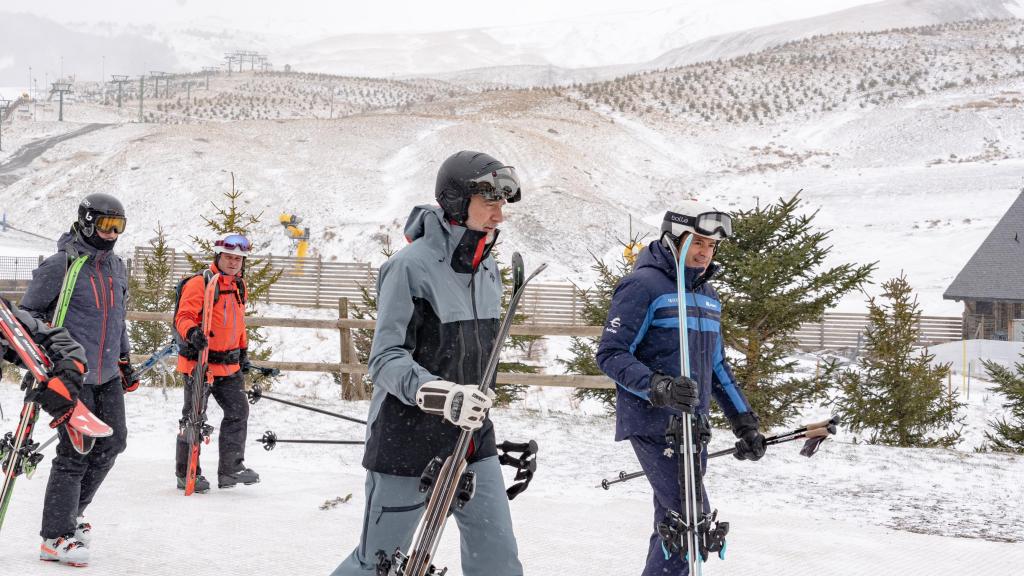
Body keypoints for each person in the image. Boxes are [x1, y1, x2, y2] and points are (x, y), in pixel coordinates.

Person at [331, 151, 524, 576]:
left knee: (498, 559)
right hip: (407, 438)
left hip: (472, 437)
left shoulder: (487, 267)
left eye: (502, 204)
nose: (499, 215)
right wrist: (442, 395)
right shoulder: (408, 266)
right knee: (378, 563)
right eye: (489, 202)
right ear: (456, 200)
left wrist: (469, 400)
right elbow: (384, 360)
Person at [596, 199, 767, 576]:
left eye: (711, 246)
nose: (705, 254)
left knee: (673, 525)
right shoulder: (643, 286)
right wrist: (658, 386)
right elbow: (610, 353)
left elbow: (717, 366)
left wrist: (744, 421)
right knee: (690, 521)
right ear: (674, 241)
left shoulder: (707, 296)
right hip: (654, 422)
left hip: (694, 426)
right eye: (697, 244)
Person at [19, 193, 136, 567]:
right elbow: (26, 317)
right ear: (87, 222)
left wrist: (124, 358)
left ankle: (71, 514)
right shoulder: (61, 265)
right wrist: (54, 362)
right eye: (105, 225)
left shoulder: (116, 266)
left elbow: (117, 317)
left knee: (113, 444)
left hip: (106, 376)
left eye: (118, 226)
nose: (112, 233)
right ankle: (55, 537)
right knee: (74, 454)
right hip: (72, 376)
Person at [173, 233, 257, 493]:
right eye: (229, 257)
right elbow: (183, 316)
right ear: (218, 257)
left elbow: (238, 323)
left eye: (238, 259)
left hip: (229, 365)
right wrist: (192, 333)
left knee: (238, 411)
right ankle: (186, 472)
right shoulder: (201, 283)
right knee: (193, 418)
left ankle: (231, 469)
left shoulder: (239, 286)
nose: (234, 263)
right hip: (201, 363)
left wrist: (242, 351)